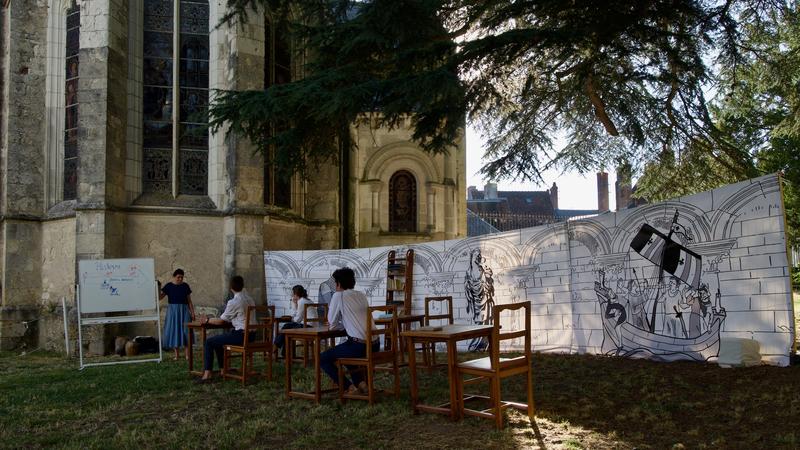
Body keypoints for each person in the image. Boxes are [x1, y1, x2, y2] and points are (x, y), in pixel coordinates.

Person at [319, 267, 377, 394]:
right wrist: (342, 324)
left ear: (338, 283)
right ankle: (361, 384)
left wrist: (335, 323)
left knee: (322, 358)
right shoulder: (361, 295)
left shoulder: (338, 296)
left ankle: (348, 387)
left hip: (359, 346)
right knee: (344, 351)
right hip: (375, 345)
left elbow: (332, 324)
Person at [195, 275, 255, 383]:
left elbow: (222, 321)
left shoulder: (234, 302)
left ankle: (207, 373)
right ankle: (223, 370)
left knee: (209, 342)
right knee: (218, 340)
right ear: (242, 285)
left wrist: (207, 320)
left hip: (242, 335)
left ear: (231, 287)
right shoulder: (250, 299)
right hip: (252, 335)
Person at [159, 268, 195, 361]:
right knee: (174, 331)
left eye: (182, 277)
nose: (180, 279)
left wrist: (192, 313)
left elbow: (189, 301)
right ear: (174, 277)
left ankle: (187, 355)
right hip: (173, 311)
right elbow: (160, 297)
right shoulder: (168, 286)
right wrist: (157, 288)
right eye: (178, 277)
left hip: (184, 310)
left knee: (186, 331)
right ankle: (177, 355)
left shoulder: (185, 286)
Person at [273, 285, 316, 355]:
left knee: (286, 327)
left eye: (293, 293)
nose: (292, 295)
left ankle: (276, 347)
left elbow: (297, 320)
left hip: (308, 327)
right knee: (287, 328)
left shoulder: (302, 301)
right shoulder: (307, 300)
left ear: (295, 294)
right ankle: (283, 352)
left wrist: (293, 305)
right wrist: (295, 304)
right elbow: (298, 315)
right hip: (312, 326)